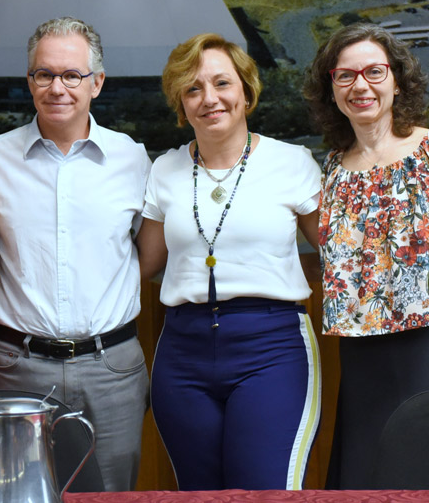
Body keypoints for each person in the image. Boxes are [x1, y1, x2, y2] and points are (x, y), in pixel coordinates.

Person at [303, 23, 429, 489]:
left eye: (374, 72)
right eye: (345, 75)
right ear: (331, 88)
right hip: (363, 356)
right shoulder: (333, 167)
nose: (361, 86)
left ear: (397, 79)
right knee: (369, 477)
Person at [136, 33, 322, 491]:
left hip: (271, 346)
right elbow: (140, 265)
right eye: (193, 88)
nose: (209, 98)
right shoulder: (164, 170)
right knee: (198, 494)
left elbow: (340, 252)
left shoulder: (292, 162)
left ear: (245, 90)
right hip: (183, 352)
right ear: (181, 104)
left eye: (222, 83)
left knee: (264, 490)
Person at [0, 17, 152, 492]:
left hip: (112, 367)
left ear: (97, 82)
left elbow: (146, 255)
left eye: (72, 75)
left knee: (112, 496)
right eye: (44, 74)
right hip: (17, 364)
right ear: (29, 80)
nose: (58, 87)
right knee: (12, 497)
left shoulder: (133, 160)